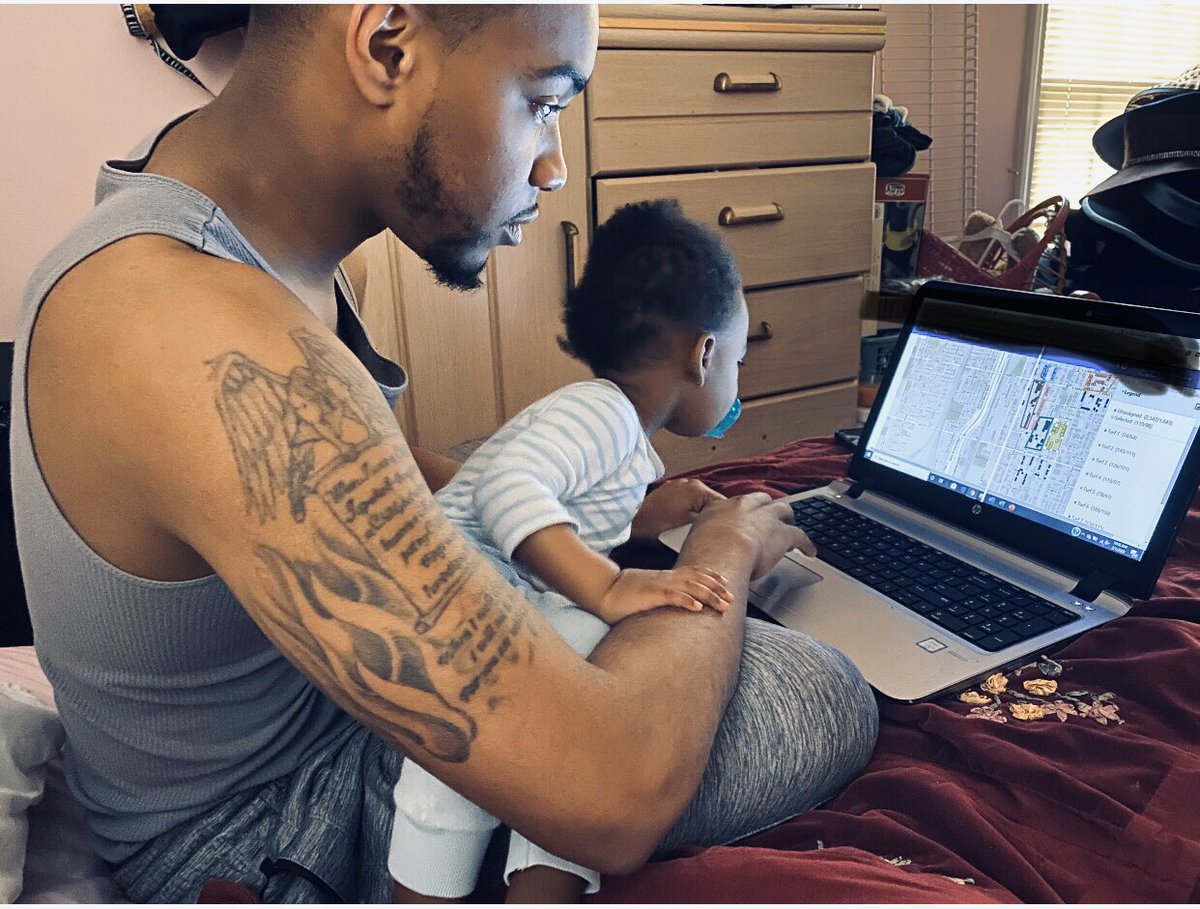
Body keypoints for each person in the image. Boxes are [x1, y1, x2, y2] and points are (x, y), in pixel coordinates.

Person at [10, 5, 879, 902]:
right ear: (387, 46)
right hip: (259, 828)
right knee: (818, 692)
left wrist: (567, 514)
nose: (554, 164)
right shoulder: (188, 326)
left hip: (303, 727)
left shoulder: (226, 215)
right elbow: (612, 791)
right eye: (543, 102)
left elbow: (364, 465)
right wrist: (719, 556)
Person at [391, 199, 751, 902]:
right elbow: (506, 486)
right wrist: (610, 586)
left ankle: (545, 882)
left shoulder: (613, 426)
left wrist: (644, 519)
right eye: (738, 360)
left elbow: (568, 508)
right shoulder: (600, 412)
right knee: (470, 758)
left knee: (581, 716)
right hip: (454, 603)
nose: (737, 377)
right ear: (703, 354)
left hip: (506, 600)